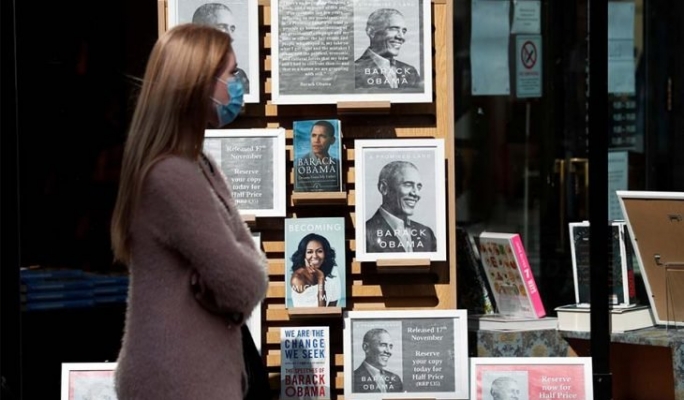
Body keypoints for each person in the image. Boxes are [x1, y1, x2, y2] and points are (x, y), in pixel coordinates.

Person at [110, 24, 269, 400]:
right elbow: (243, 284)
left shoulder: (200, 166)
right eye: (231, 73)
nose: (238, 85)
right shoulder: (170, 175)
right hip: (177, 380)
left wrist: (227, 276)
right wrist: (228, 279)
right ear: (199, 83)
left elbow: (247, 266)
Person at [365, 160, 437, 253]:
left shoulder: (427, 234)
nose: (416, 194)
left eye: (418, 187)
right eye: (408, 185)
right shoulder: (365, 233)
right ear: (384, 188)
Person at [354, 8, 423, 90]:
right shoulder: (353, 72)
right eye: (394, 29)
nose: (401, 37)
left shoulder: (411, 72)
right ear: (371, 32)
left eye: (403, 31)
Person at [192, 3, 250, 94]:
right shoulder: (184, 76)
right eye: (222, 27)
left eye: (232, 29)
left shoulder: (239, 76)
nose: (231, 37)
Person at [289, 233, 341, 307]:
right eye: (310, 252)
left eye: (319, 251)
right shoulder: (298, 278)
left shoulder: (332, 273)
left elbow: (332, 308)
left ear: (325, 253)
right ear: (303, 255)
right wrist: (320, 278)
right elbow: (321, 310)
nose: (315, 256)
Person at [294, 120, 341, 192]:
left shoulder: (338, 165)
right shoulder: (300, 166)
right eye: (313, 135)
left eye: (322, 136)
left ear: (332, 140)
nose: (316, 140)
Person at [352, 328, 403, 393]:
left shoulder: (396, 379)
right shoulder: (353, 379)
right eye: (383, 345)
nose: (388, 351)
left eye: (390, 346)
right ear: (366, 347)